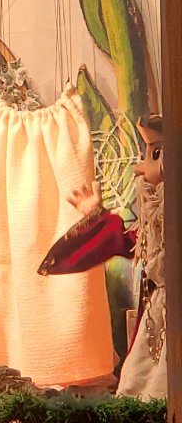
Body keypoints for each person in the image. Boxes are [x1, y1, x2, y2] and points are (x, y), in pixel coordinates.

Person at [37, 115, 165, 399]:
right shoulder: (156, 214)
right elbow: (130, 242)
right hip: (158, 313)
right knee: (146, 377)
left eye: (154, 154)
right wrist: (96, 215)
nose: (140, 168)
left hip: (168, 313)